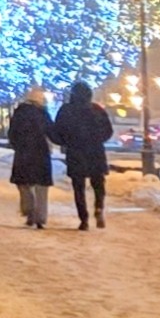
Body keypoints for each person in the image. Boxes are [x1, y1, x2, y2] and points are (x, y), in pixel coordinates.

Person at [52, 80, 114, 230]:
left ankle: (84, 219)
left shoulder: (66, 110)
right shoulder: (97, 110)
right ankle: (99, 207)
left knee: (78, 187)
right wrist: (97, 139)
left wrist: (66, 141)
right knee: (98, 184)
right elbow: (108, 131)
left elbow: (57, 132)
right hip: (95, 152)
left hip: (75, 152)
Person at [7, 87, 56, 229]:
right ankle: (40, 217)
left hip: (23, 152)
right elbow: (52, 132)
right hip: (41, 152)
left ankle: (29, 210)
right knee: (41, 186)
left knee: (23, 183)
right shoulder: (43, 114)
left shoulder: (19, 113)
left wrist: (17, 145)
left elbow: (12, 133)